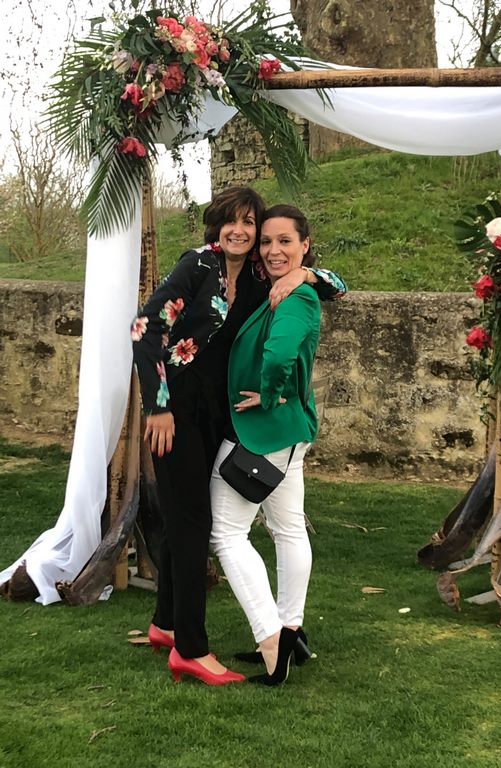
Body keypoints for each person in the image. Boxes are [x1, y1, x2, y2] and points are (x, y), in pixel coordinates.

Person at [131, 188, 346, 686]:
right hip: (177, 412)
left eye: (250, 223)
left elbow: (338, 287)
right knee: (192, 523)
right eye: (232, 221)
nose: (241, 231)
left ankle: (165, 623)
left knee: (189, 515)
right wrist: (157, 407)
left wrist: (305, 274)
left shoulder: (256, 274)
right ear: (217, 225)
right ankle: (191, 649)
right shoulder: (197, 266)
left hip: (219, 416)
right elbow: (145, 330)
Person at [210, 204, 323, 686]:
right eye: (267, 241)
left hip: (265, 430)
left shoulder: (296, 297)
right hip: (288, 432)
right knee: (288, 528)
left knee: (227, 533)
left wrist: (270, 391)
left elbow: (279, 354)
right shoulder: (287, 286)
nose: (274, 250)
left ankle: (271, 638)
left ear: (305, 246)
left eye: (285, 242)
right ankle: (291, 628)